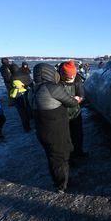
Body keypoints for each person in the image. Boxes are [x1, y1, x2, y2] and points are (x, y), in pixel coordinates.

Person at [30, 63, 82, 193]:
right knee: (59, 158)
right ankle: (62, 184)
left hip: (42, 129)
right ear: (49, 73)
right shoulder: (52, 87)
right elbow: (72, 102)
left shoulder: (33, 89)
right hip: (56, 130)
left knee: (52, 156)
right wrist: (76, 99)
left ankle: (61, 180)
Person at [58, 60, 88, 159]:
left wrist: (80, 98)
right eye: (68, 77)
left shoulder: (77, 79)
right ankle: (70, 157)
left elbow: (82, 94)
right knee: (66, 138)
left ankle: (79, 152)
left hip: (76, 113)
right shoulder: (57, 81)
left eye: (72, 76)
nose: (71, 78)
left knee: (78, 135)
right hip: (63, 115)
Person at [10, 63, 34, 132]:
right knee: (29, 106)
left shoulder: (12, 77)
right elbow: (31, 82)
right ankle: (32, 118)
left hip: (18, 95)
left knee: (22, 111)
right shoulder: (25, 74)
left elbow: (11, 86)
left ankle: (26, 127)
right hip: (27, 92)